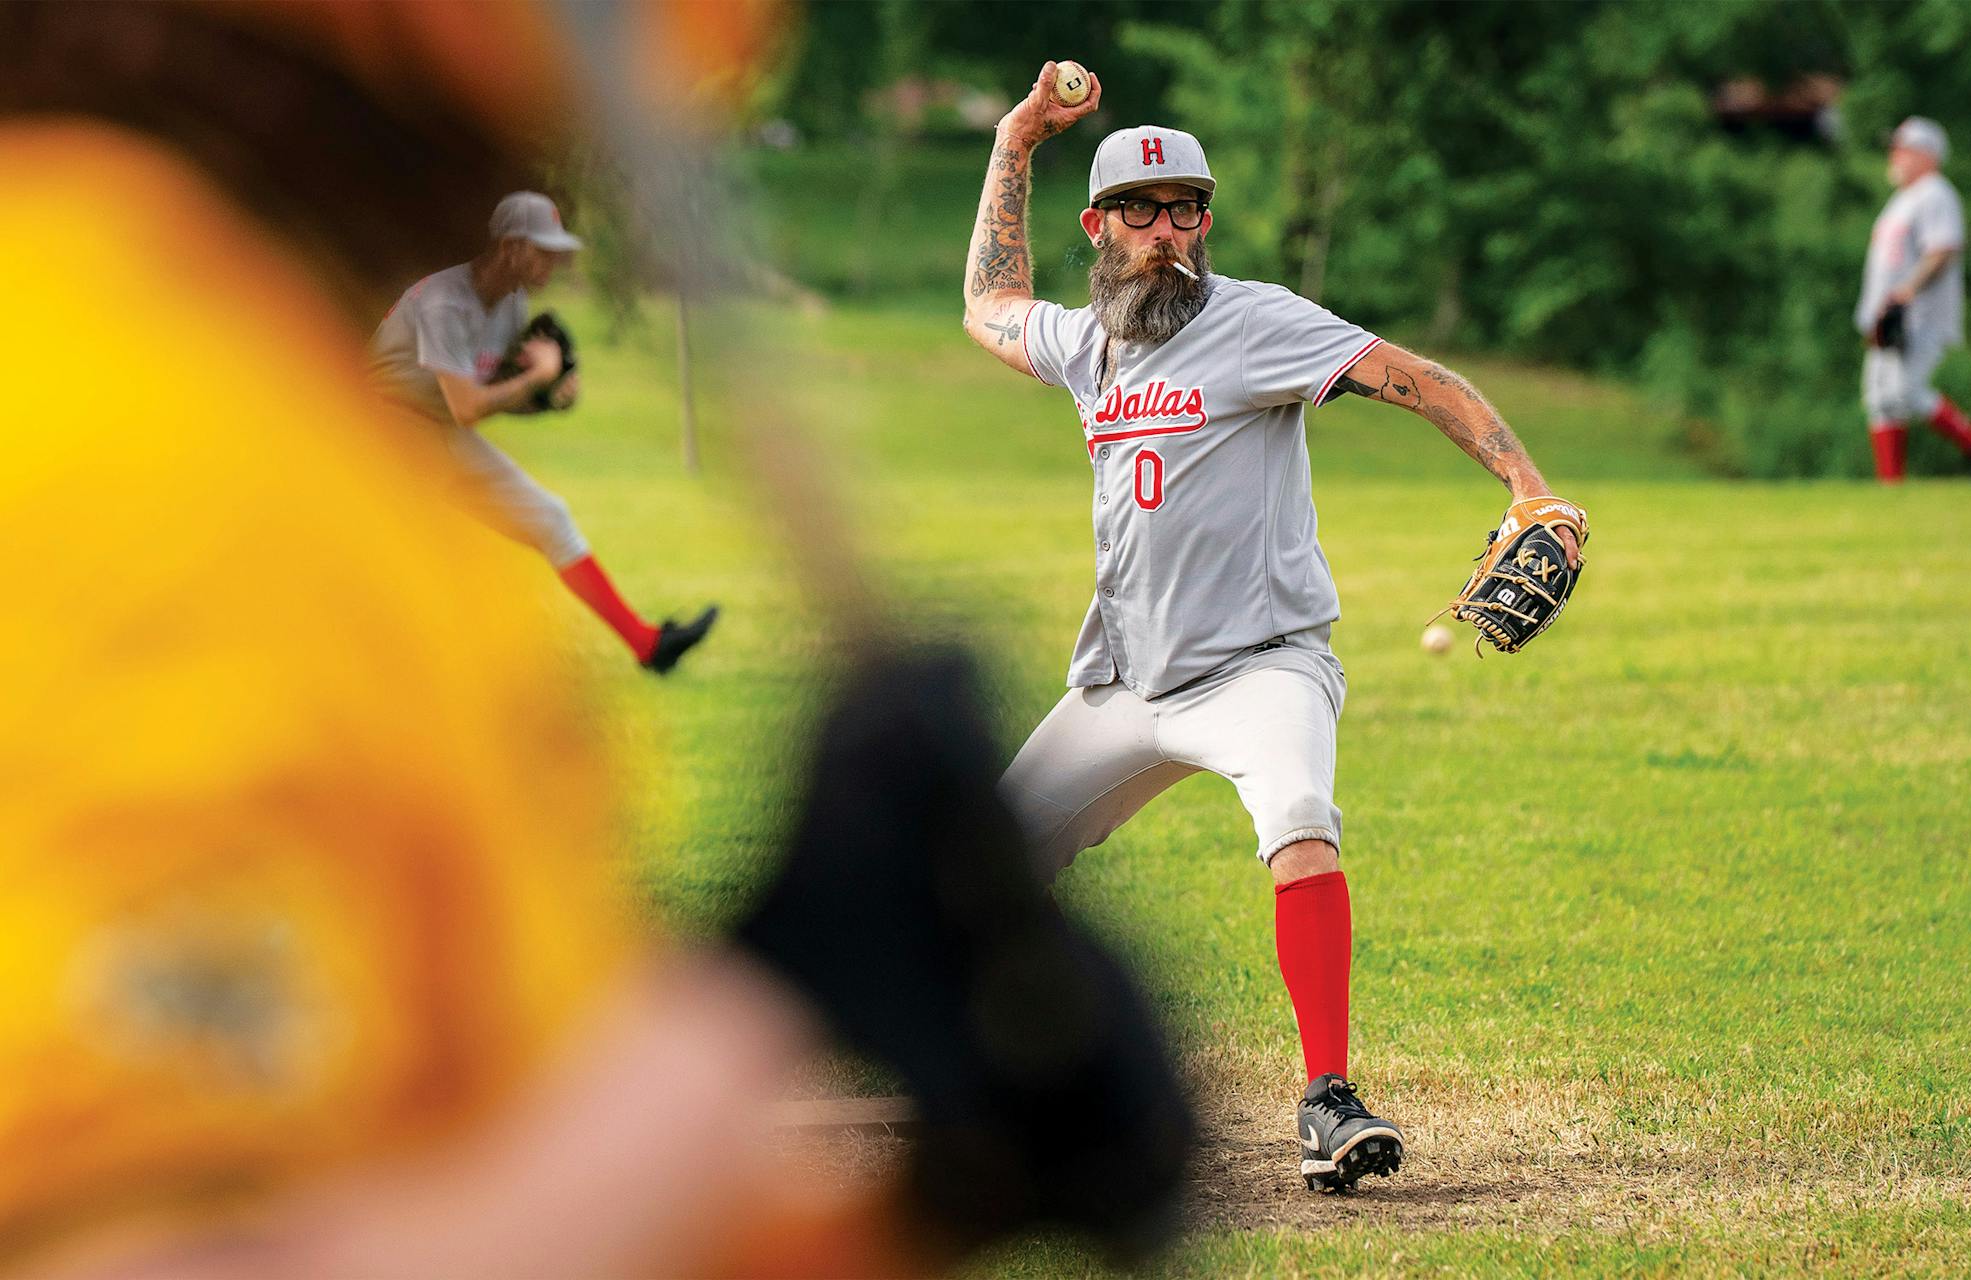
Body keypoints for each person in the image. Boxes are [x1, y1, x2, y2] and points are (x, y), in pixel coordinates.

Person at [1, 7, 1188, 1275]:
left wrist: (912, 1207)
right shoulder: (126, 410)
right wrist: (764, 1002)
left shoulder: (286, 408)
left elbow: (469, 1182)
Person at [959, 62, 1586, 1194]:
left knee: (1299, 813)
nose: (1166, 231)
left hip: (1261, 666)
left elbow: (1416, 378)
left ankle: (1326, 1097)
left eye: (1186, 208)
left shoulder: (1256, 322)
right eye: (1141, 211)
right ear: (1099, 228)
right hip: (1122, 683)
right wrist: (1015, 140)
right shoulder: (1086, 345)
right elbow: (986, 303)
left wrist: (1526, 487)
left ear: (1205, 222)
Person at [369, 191, 720, 673]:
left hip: (437, 433)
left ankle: (648, 646)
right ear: (511, 247)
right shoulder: (444, 301)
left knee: (550, 518)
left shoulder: (510, 306)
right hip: (376, 436)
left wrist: (546, 400)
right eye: (544, 249)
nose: (554, 261)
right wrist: (535, 378)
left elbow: (491, 398)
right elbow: (469, 407)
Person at [1855, 116, 1971, 484]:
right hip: (1890, 313)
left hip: (1919, 315)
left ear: (1928, 155)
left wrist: (1907, 291)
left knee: (1904, 392)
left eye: (1904, 149)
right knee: (1878, 397)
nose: (1895, 155)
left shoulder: (1937, 193)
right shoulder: (1902, 199)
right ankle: (1890, 485)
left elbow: (1942, 250)